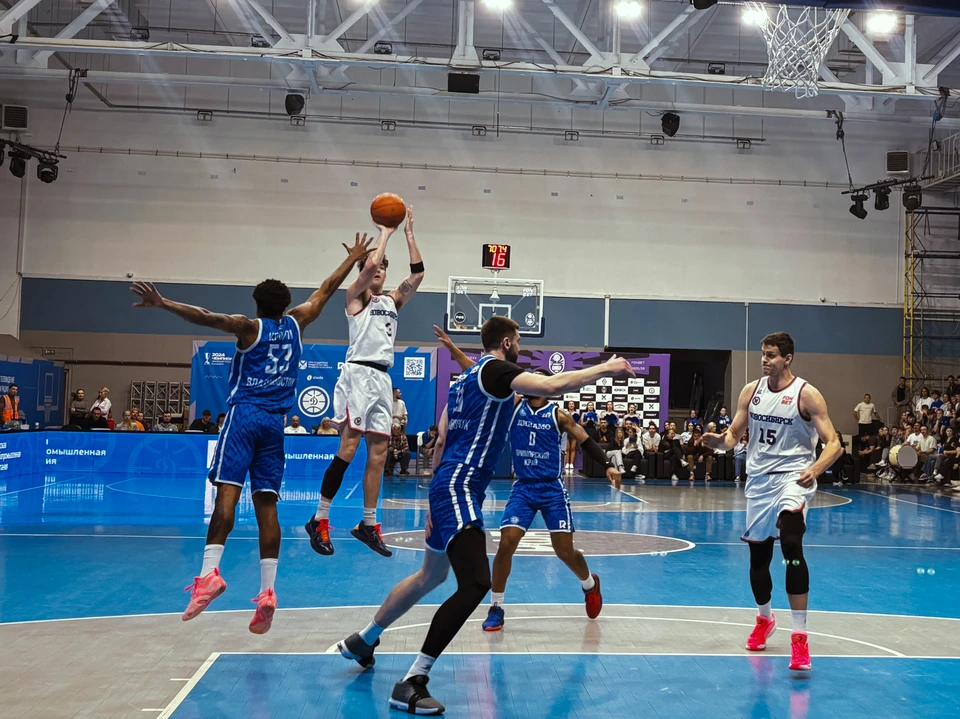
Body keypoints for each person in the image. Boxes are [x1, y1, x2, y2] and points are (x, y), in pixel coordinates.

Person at [335, 318, 634, 714]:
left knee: (430, 576)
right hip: (461, 486)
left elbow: (442, 438)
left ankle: (365, 638)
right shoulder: (497, 371)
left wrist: (433, 500)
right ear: (507, 343)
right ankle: (413, 680)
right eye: (519, 342)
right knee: (475, 582)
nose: (520, 349)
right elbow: (551, 386)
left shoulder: (464, 382)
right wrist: (606, 367)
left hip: (449, 486)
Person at [130, 234, 372, 634]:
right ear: (286, 304)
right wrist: (354, 259)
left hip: (244, 417)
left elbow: (205, 316)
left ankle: (209, 575)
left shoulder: (248, 328)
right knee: (267, 506)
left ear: (257, 304)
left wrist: (163, 303)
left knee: (226, 497)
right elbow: (327, 289)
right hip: (275, 425)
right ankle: (267, 592)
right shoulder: (297, 322)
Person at [702, 332, 841, 673]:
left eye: (771, 355)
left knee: (791, 544)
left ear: (787, 358)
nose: (765, 360)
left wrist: (815, 469)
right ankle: (765, 618)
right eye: (763, 354)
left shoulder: (806, 394)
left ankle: (800, 636)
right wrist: (718, 442)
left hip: (793, 478)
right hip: (759, 482)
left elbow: (834, 443)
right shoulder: (751, 391)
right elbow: (733, 437)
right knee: (759, 558)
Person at [307, 207, 424, 558]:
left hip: (382, 379)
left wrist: (408, 235)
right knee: (348, 447)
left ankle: (368, 524)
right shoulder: (355, 298)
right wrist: (386, 231)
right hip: (357, 375)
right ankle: (319, 518)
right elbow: (369, 265)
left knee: (379, 453)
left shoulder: (392, 300)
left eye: (385, 267)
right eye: (375, 267)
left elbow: (418, 274)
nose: (380, 269)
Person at [478, 370, 618, 632]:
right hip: (523, 487)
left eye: (539, 380)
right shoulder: (514, 407)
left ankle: (589, 584)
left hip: (551, 488)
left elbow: (585, 440)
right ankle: (496, 606)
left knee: (564, 551)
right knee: (506, 543)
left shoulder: (559, 415)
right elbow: (491, 381)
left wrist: (607, 464)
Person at [564, 400, 580, 471]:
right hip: (566, 431)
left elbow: (578, 423)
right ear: (568, 406)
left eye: (572, 404)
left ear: (574, 406)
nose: (571, 405)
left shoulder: (577, 413)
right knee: (567, 449)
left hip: (573, 431)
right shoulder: (565, 413)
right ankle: (567, 463)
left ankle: (571, 463)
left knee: (573, 448)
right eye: (570, 404)